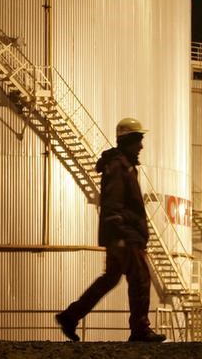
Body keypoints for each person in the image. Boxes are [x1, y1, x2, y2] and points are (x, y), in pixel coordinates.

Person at [56, 117, 166, 343]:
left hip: (120, 234)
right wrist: (122, 235)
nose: (142, 146)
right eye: (139, 141)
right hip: (125, 236)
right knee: (140, 280)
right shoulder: (119, 166)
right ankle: (140, 329)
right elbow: (113, 203)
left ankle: (70, 316)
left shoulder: (122, 165)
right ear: (130, 141)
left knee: (110, 279)